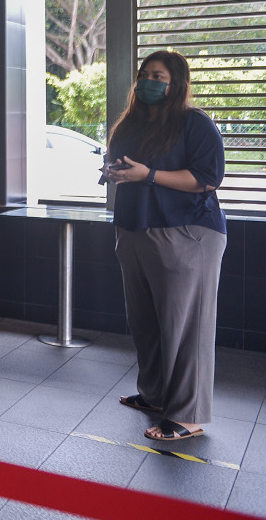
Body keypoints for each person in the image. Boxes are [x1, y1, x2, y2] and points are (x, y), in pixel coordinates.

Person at [104, 50, 226, 442]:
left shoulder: (195, 124)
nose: (147, 81)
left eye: (157, 75)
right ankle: (155, 396)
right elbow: (123, 165)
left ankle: (189, 415)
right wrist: (115, 172)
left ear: (177, 84)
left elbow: (208, 178)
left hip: (187, 234)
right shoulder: (131, 123)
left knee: (185, 328)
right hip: (135, 229)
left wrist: (149, 175)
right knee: (147, 323)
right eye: (143, 73)